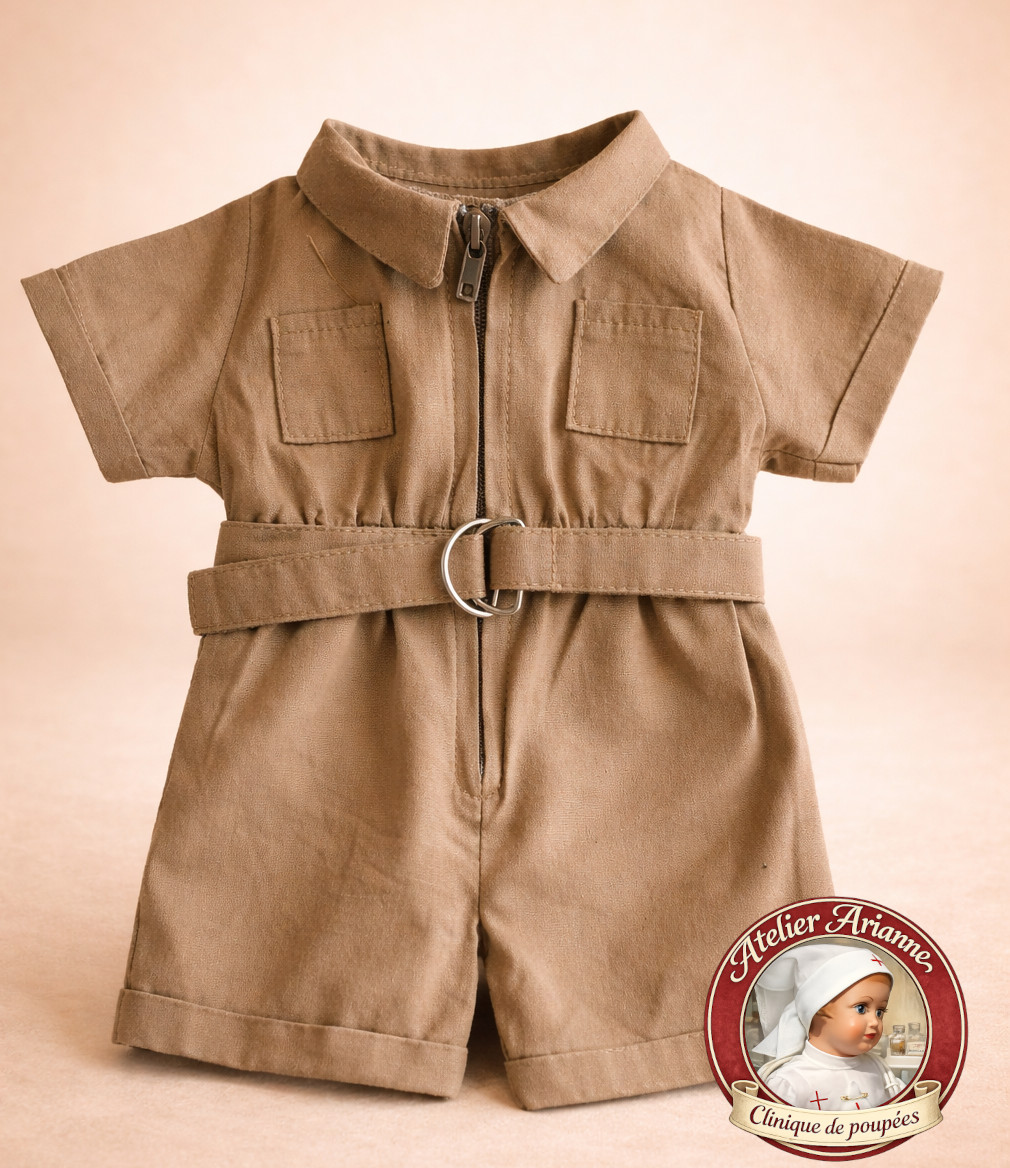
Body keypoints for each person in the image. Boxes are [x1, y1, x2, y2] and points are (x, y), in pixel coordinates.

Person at [752, 943, 905, 1111]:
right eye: (861, 1008)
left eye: (880, 1011)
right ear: (818, 1008)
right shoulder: (791, 1083)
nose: (875, 1021)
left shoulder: (880, 1070)